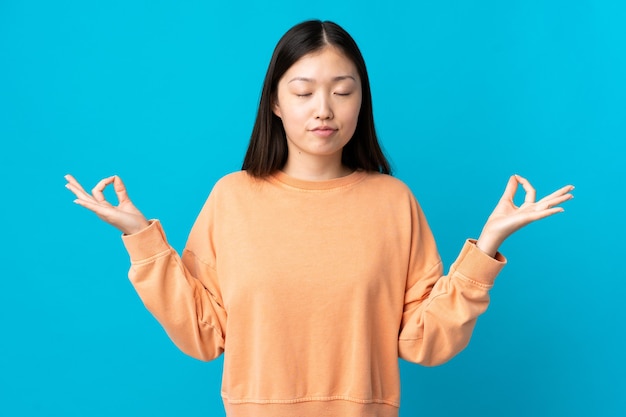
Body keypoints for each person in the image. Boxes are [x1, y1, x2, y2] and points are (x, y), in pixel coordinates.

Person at [65, 20, 573, 417]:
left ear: (361, 101)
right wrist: (140, 237)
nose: (324, 109)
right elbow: (204, 334)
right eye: (304, 91)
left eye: (343, 90)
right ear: (276, 104)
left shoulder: (393, 202)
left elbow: (423, 341)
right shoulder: (231, 198)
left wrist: (485, 249)